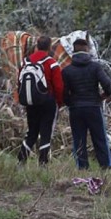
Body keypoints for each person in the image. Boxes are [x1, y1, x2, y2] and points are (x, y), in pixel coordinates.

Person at [62, 38, 111, 170]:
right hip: (93, 107)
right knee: (100, 138)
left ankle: (82, 167)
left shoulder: (67, 70)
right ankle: (106, 166)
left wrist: (71, 103)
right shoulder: (95, 67)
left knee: (79, 140)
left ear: (73, 50)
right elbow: (108, 85)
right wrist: (102, 97)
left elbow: (64, 93)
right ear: (87, 49)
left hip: (76, 109)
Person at [17, 35, 64, 166]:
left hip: (31, 102)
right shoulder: (51, 63)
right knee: (46, 132)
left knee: (31, 131)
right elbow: (59, 87)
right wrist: (59, 102)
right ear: (49, 47)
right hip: (48, 101)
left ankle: (21, 159)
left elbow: (19, 83)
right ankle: (43, 162)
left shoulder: (25, 62)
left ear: (37, 46)